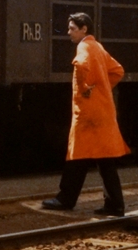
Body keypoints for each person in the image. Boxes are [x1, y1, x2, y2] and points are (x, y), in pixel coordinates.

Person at [42, 13, 130, 217]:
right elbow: (118, 70)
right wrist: (101, 88)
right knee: (104, 160)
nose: (68, 32)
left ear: (84, 29)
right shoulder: (97, 46)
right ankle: (115, 205)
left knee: (77, 154)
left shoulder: (83, 47)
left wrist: (84, 88)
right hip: (102, 112)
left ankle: (65, 199)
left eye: (72, 28)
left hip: (88, 114)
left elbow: (81, 65)